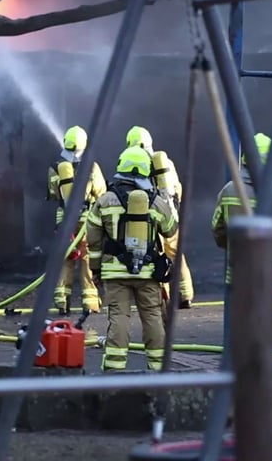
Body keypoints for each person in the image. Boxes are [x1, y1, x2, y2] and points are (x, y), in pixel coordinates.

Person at [210, 132, 272, 405]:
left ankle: (237, 390)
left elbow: (218, 232)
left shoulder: (228, 191)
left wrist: (233, 249)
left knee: (239, 334)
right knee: (267, 336)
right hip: (268, 278)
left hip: (237, 276)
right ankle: (266, 390)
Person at [87, 147, 177, 371]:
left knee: (119, 316)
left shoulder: (105, 200)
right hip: (147, 272)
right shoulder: (154, 201)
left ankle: (115, 368)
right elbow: (170, 230)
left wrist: (95, 270)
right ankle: (158, 367)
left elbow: (93, 240)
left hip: (115, 273)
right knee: (153, 316)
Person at [126, 126, 195, 308]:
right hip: (170, 214)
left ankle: (164, 300)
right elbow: (177, 188)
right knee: (176, 254)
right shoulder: (166, 163)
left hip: (151, 218)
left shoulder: (134, 161)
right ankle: (186, 294)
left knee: (158, 257)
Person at [49, 125, 107, 314]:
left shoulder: (55, 167)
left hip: (64, 220)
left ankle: (61, 301)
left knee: (65, 259)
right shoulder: (91, 166)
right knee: (86, 258)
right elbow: (101, 193)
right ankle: (90, 303)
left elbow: (52, 193)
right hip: (86, 220)